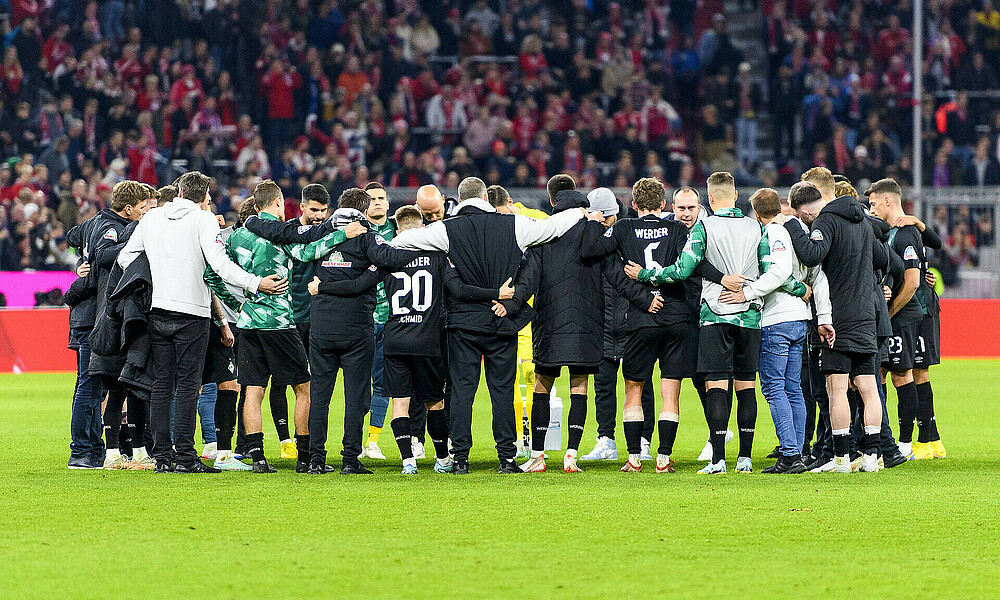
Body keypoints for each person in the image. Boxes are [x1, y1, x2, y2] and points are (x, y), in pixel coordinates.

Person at [390, 176, 588, 474]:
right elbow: (552, 228)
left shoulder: (445, 229)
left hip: (463, 325)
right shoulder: (514, 224)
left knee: (461, 392)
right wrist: (579, 212)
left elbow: (402, 241)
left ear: (459, 197)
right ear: (485, 196)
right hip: (501, 322)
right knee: (502, 391)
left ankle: (460, 459)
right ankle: (506, 458)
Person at [626, 172, 806, 474]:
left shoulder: (702, 228)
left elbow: (682, 270)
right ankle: (745, 459)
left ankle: (718, 460)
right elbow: (769, 270)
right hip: (749, 317)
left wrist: (644, 275)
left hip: (714, 314)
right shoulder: (756, 227)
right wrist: (796, 289)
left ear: (709, 199)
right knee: (746, 386)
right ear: (735, 196)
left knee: (717, 386)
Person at [116, 171, 288, 474]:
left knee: (161, 384)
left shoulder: (152, 218)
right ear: (203, 197)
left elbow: (125, 258)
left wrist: (157, 276)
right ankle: (185, 456)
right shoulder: (203, 219)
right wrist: (255, 283)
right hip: (192, 313)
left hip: (158, 310)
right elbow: (220, 265)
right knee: (187, 385)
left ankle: (163, 458)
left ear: (180, 192)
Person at [245, 188, 415, 474]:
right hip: (357, 328)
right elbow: (392, 258)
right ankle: (350, 459)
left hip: (321, 328)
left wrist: (251, 222)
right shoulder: (367, 235)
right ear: (362, 210)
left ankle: (315, 459)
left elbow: (282, 233)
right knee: (356, 396)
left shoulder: (320, 231)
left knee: (320, 396)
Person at [224, 180, 362, 473]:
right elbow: (308, 253)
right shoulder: (281, 236)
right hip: (279, 323)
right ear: (277, 203)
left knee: (253, 390)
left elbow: (214, 274)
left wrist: (236, 304)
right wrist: (341, 235)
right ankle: (303, 458)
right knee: (303, 388)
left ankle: (258, 457)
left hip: (247, 323)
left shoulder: (236, 237)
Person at [586, 178, 704, 473]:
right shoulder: (678, 229)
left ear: (634, 205)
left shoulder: (623, 228)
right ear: (664, 205)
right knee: (670, 390)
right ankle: (663, 457)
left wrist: (592, 221)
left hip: (641, 319)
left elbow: (591, 250)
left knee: (634, 388)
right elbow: (686, 269)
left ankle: (634, 457)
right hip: (676, 316)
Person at [379, 205, 508, 473]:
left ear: (398, 230)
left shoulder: (387, 258)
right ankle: (442, 459)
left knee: (400, 405)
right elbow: (459, 289)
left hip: (395, 340)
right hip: (426, 341)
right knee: (434, 402)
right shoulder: (437, 257)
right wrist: (496, 292)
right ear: (423, 230)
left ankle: (408, 462)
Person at [781, 167, 888, 473]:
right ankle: (871, 456)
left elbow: (813, 255)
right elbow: (882, 259)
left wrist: (791, 226)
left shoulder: (826, 220)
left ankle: (841, 457)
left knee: (836, 389)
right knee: (869, 387)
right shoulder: (865, 223)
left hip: (837, 316)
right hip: (867, 315)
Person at [510, 175, 608, 474]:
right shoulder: (593, 231)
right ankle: (571, 455)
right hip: (587, 319)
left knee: (542, 383)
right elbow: (612, 274)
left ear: (552, 202)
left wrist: (508, 306)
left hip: (549, 320)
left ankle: (538, 455)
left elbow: (527, 281)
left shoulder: (544, 234)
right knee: (579, 385)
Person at [741, 186, 830, 474]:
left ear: (756, 213)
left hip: (777, 318)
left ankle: (790, 454)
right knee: (793, 389)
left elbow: (778, 272)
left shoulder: (775, 233)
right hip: (800, 320)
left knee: (774, 387)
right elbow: (818, 276)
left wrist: (749, 292)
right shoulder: (799, 233)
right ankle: (800, 451)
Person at [81, 181, 155, 469]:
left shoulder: (115, 230)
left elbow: (79, 236)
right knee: (123, 388)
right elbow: (103, 254)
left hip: (115, 319)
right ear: (130, 209)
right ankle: (123, 453)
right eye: (143, 207)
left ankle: (124, 453)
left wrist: (80, 264)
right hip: (118, 321)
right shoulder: (127, 234)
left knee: (122, 390)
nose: (146, 212)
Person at [579, 188, 656, 463]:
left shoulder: (627, 233)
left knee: (639, 383)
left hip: (632, 316)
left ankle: (644, 442)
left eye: (604, 219)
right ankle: (606, 440)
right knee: (603, 385)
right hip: (603, 319)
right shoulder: (592, 233)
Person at [267, 183, 330, 461]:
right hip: (289, 319)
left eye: (323, 211)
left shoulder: (326, 233)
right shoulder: (288, 233)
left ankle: (308, 439)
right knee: (280, 381)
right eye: (313, 210)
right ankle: (285, 441)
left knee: (311, 384)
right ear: (302, 207)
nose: (318, 216)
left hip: (318, 320)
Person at [866, 178, 928, 462]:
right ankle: (881, 438)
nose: (872, 207)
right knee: (879, 376)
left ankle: (904, 443)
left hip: (902, 318)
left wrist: (889, 315)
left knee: (902, 375)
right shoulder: (890, 233)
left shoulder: (905, 234)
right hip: (892, 317)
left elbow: (913, 282)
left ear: (888, 200)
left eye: (874, 202)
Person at [361, 181, 396, 460]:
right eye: (371, 198)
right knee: (358, 382)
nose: (377, 202)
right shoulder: (356, 233)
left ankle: (372, 442)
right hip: (361, 318)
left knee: (383, 383)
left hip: (394, 319)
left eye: (381, 198)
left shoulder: (400, 231)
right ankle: (353, 437)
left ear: (388, 203)